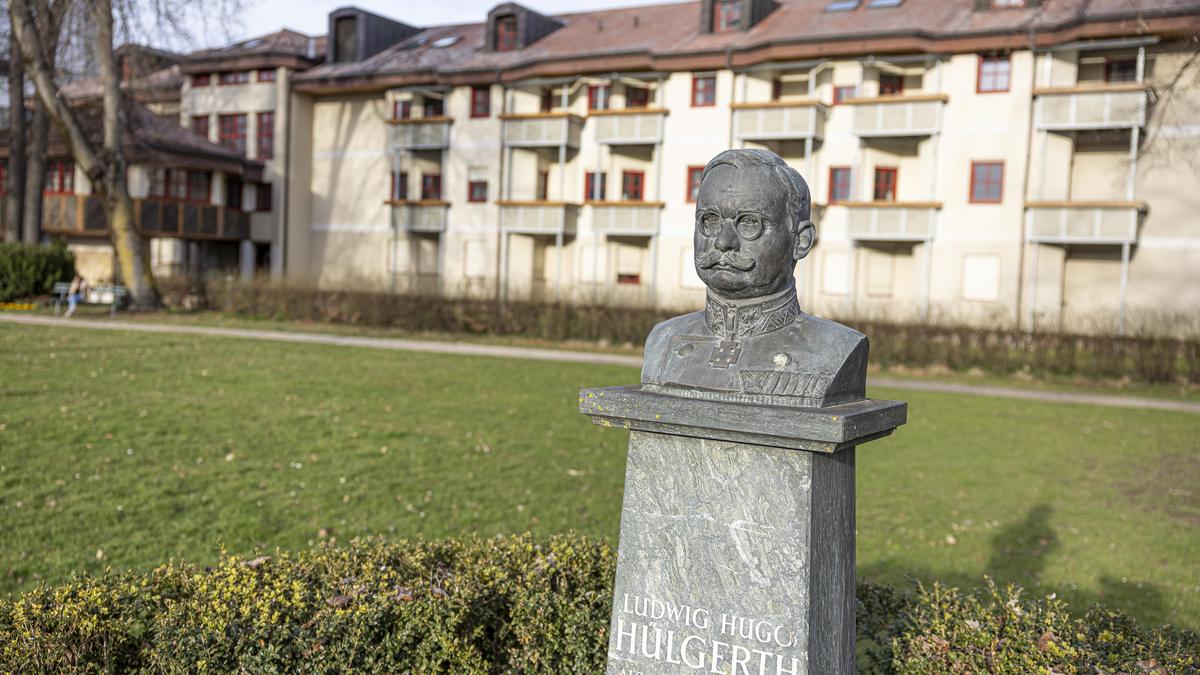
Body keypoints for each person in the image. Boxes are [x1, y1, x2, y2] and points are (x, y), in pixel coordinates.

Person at [640, 148, 868, 409]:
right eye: (710, 220)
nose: (724, 242)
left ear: (800, 241)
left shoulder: (835, 349)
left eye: (749, 223)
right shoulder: (663, 339)